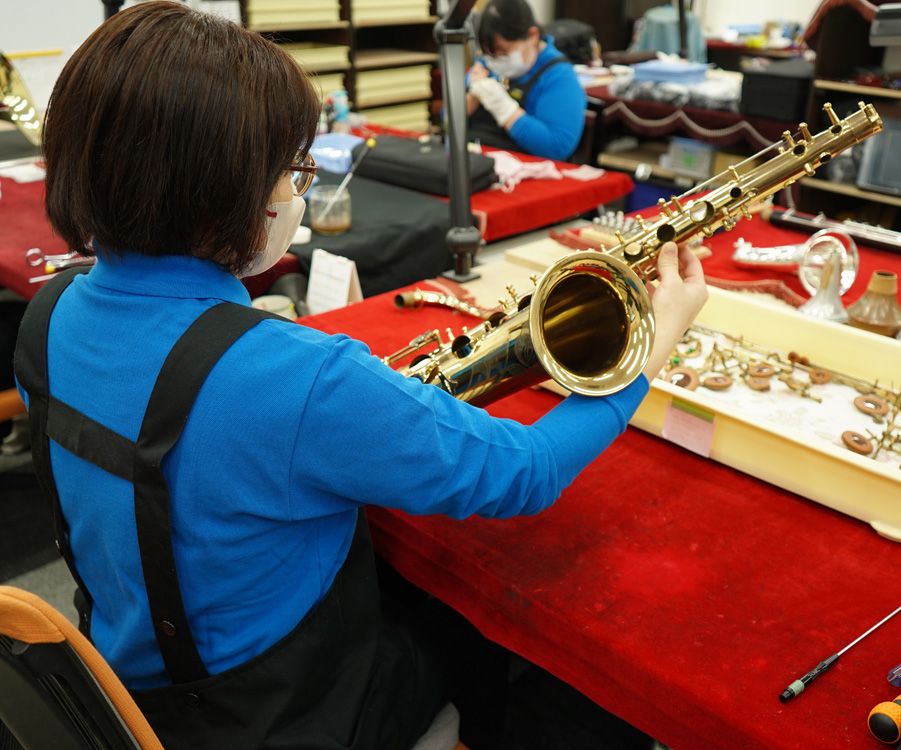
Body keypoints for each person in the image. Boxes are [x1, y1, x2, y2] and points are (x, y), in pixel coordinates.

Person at [13, 3, 707, 750]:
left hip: (123, 680)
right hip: (274, 715)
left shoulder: (48, 314)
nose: (293, 192)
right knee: (484, 641)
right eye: (289, 170)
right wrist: (648, 348)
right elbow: (525, 474)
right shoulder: (294, 375)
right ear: (220, 189)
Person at [466, 0, 586, 161]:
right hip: (475, 159)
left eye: (504, 52)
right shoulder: (485, 64)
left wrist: (504, 109)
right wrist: (472, 96)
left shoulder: (559, 76)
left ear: (532, 36)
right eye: (490, 54)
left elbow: (557, 147)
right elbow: (447, 122)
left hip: (525, 169)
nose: (496, 61)